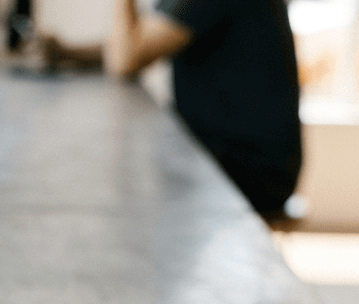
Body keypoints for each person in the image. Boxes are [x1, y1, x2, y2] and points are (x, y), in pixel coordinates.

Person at [103, 0, 303, 218]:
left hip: (245, 173)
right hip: (251, 164)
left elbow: (126, 59)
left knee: (115, 195)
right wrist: (72, 53)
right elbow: (141, 41)